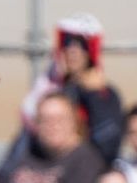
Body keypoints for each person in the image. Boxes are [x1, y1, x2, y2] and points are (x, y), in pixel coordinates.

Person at [17, 15, 123, 164]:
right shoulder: (52, 87)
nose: (73, 50)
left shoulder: (104, 94)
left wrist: (93, 95)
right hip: (47, 166)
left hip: (84, 170)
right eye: (67, 42)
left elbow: (106, 148)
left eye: (82, 44)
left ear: (91, 50)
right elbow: (27, 140)